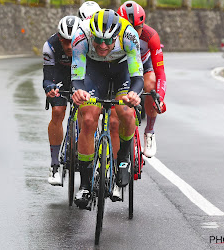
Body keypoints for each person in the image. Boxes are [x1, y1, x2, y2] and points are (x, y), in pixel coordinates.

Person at [71, 9, 144, 208]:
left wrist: (134, 94)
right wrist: (78, 92)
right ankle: (85, 184)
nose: (102, 46)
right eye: (98, 40)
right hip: (94, 71)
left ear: (117, 36)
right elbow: (77, 78)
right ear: (91, 34)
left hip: (122, 70)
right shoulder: (80, 35)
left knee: (126, 112)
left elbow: (137, 78)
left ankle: (122, 160)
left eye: (108, 41)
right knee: (87, 118)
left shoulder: (129, 36)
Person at [117, 1, 167, 158]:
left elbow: (160, 73)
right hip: (121, 68)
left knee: (150, 84)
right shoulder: (111, 34)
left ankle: (150, 132)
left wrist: (160, 97)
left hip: (144, 67)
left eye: (139, 28)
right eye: (130, 28)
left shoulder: (150, 36)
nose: (135, 33)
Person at [42, 16, 81, 186]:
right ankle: (54, 164)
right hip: (59, 75)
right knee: (58, 112)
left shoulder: (88, 44)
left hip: (80, 75)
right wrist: (49, 87)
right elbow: (47, 77)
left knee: (89, 111)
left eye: (72, 42)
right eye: (65, 42)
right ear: (59, 38)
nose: (69, 47)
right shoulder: (50, 46)